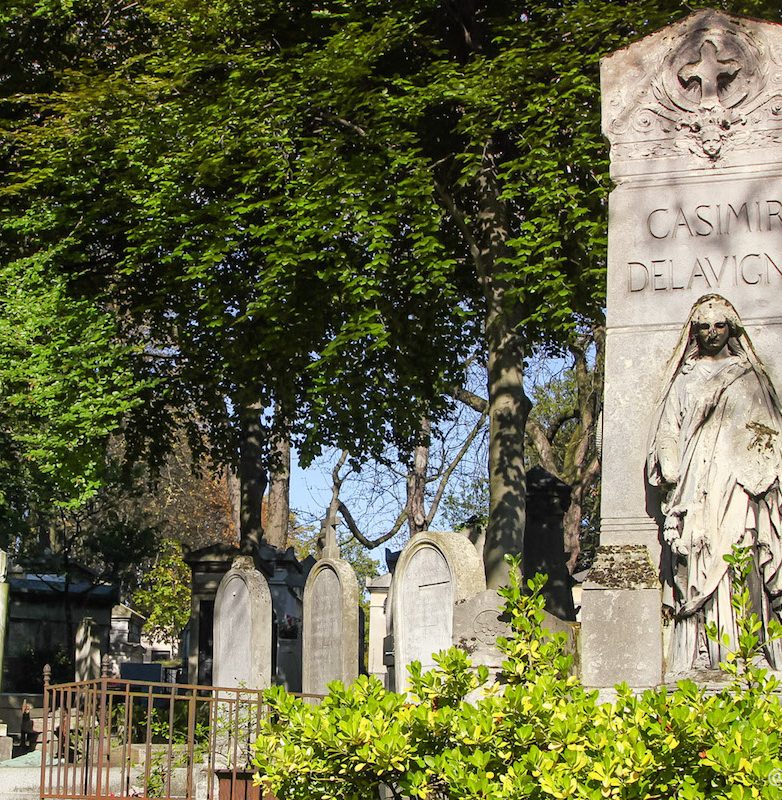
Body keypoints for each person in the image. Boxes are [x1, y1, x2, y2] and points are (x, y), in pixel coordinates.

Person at [647, 294, 782, 673]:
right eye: (704, 327)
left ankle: (750, 652)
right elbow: (668, 429)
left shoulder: (748, 375)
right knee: (698, 559)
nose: (712, 333)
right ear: (694, 332)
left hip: (739, 485)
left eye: (719, 325)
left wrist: (761, 474)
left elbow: (768, 432)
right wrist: (670, 465)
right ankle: (702, 654)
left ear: (731, 329)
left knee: (741, 555)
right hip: (695, 485)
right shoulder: (686, 379)